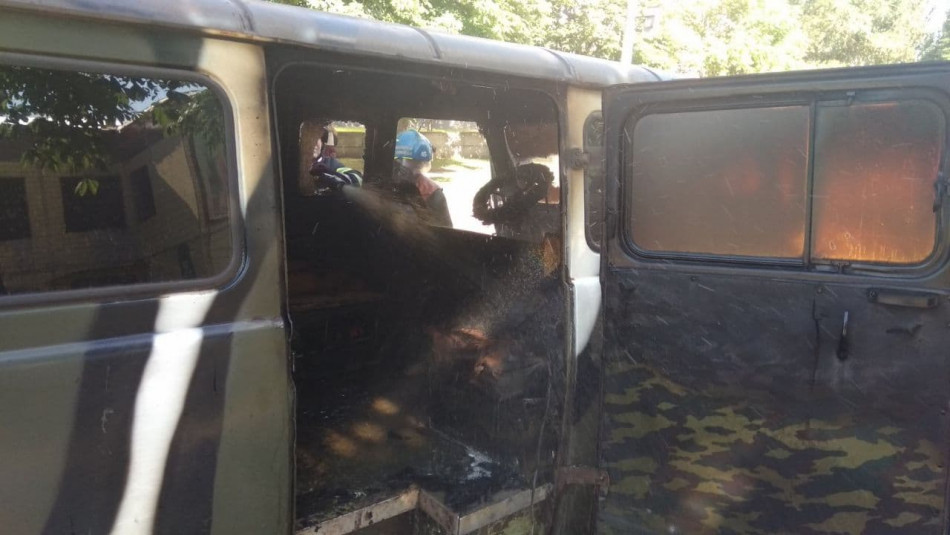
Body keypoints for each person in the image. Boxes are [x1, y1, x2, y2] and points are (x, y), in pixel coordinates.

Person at [392, 129, 452, 227]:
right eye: (413, 163)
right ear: (397, 161)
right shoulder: (383, 185)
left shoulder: (433, 194)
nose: (416, 172)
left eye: (421, 165)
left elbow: (446, 231)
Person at [308, 123, 362, 190]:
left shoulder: (332, 164)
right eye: (307, 138)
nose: (312, 143)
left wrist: (330, 175)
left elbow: (358, 178)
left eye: (316, 138)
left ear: (322, 142)